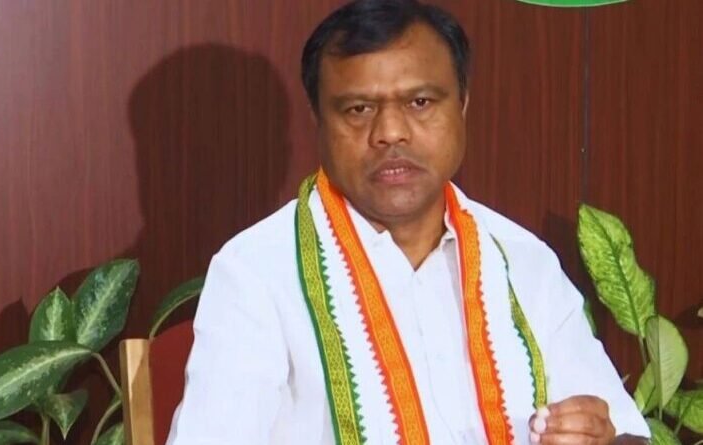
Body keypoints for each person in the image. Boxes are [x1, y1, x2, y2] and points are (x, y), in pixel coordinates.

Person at [165, 1, 650, 443]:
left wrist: (601, 437)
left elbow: (628, 433)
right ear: (318, 120)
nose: (391, 133)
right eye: (358, 109)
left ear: (462, 104)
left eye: (420, 103)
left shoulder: (523, 261)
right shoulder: (256, 273)